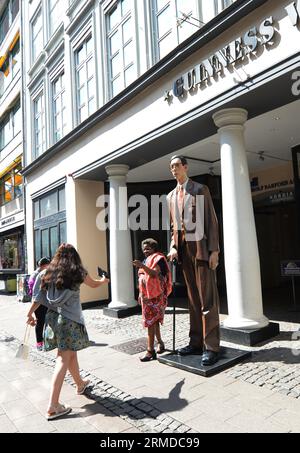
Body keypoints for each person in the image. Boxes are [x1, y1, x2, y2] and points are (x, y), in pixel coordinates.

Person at [26, 243, 109, 420]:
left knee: (70, 355)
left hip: (53, 320)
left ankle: (80, 384)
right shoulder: (77, 271)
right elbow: (94, 284)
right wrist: (104, 280)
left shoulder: (46, 272)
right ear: (74, 256)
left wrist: (29, 313)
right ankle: (53, 406)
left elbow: (38, 297)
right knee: (63, 358)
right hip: (70, 320)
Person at [167, 155, 220, 366]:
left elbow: (211, 221)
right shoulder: (170, 196)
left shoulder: (199, 189)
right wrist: (172, 246)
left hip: (201, 250)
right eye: (171, 167)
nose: (173, 170)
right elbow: (174, 227)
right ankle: (196, 342)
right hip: (183, 252)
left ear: (185, 167)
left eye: (176, 166)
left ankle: (212, 346)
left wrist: (214, 250)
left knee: (207, 299)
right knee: (192, 300)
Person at [133, 238, 172, 362]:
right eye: (144, 249)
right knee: (153, 322)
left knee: (151, 322)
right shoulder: (146, 260)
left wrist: (142, 266)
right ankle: (160, 343)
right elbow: (142, 279)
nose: (145, 251)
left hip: (156, 295)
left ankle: (150, 351)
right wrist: (140, 293)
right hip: (146, 296)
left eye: (148, 248)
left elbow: (154, 274)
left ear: (154, 249)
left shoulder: (159, 259)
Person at [28, 257, 50, 351]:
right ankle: (39, 343)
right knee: (40, 322)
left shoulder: (43, 273)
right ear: (44, 265)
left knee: (46, 322)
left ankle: (45, 341)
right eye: (48, 264)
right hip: (38, 302)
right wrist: (29, 313)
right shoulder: (38, 274)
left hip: (44, 301)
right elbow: (35, 293)